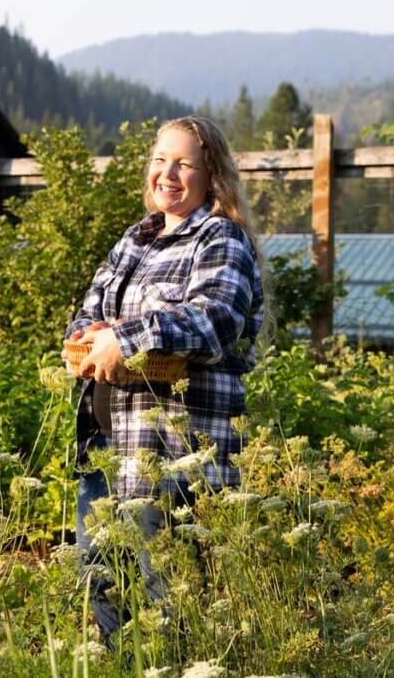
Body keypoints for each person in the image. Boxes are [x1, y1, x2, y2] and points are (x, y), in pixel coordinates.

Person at [62, 115, 265, 645]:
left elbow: (218, 318)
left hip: (175, 454)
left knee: (169, 598)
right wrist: (89, 339)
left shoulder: (221, 239)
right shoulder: (137, 238)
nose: (167, 174)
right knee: (101, 581)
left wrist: (125, 339)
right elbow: (85, 315)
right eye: (160, 160)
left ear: (211, 176)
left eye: (184, 164)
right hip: (105, 450)